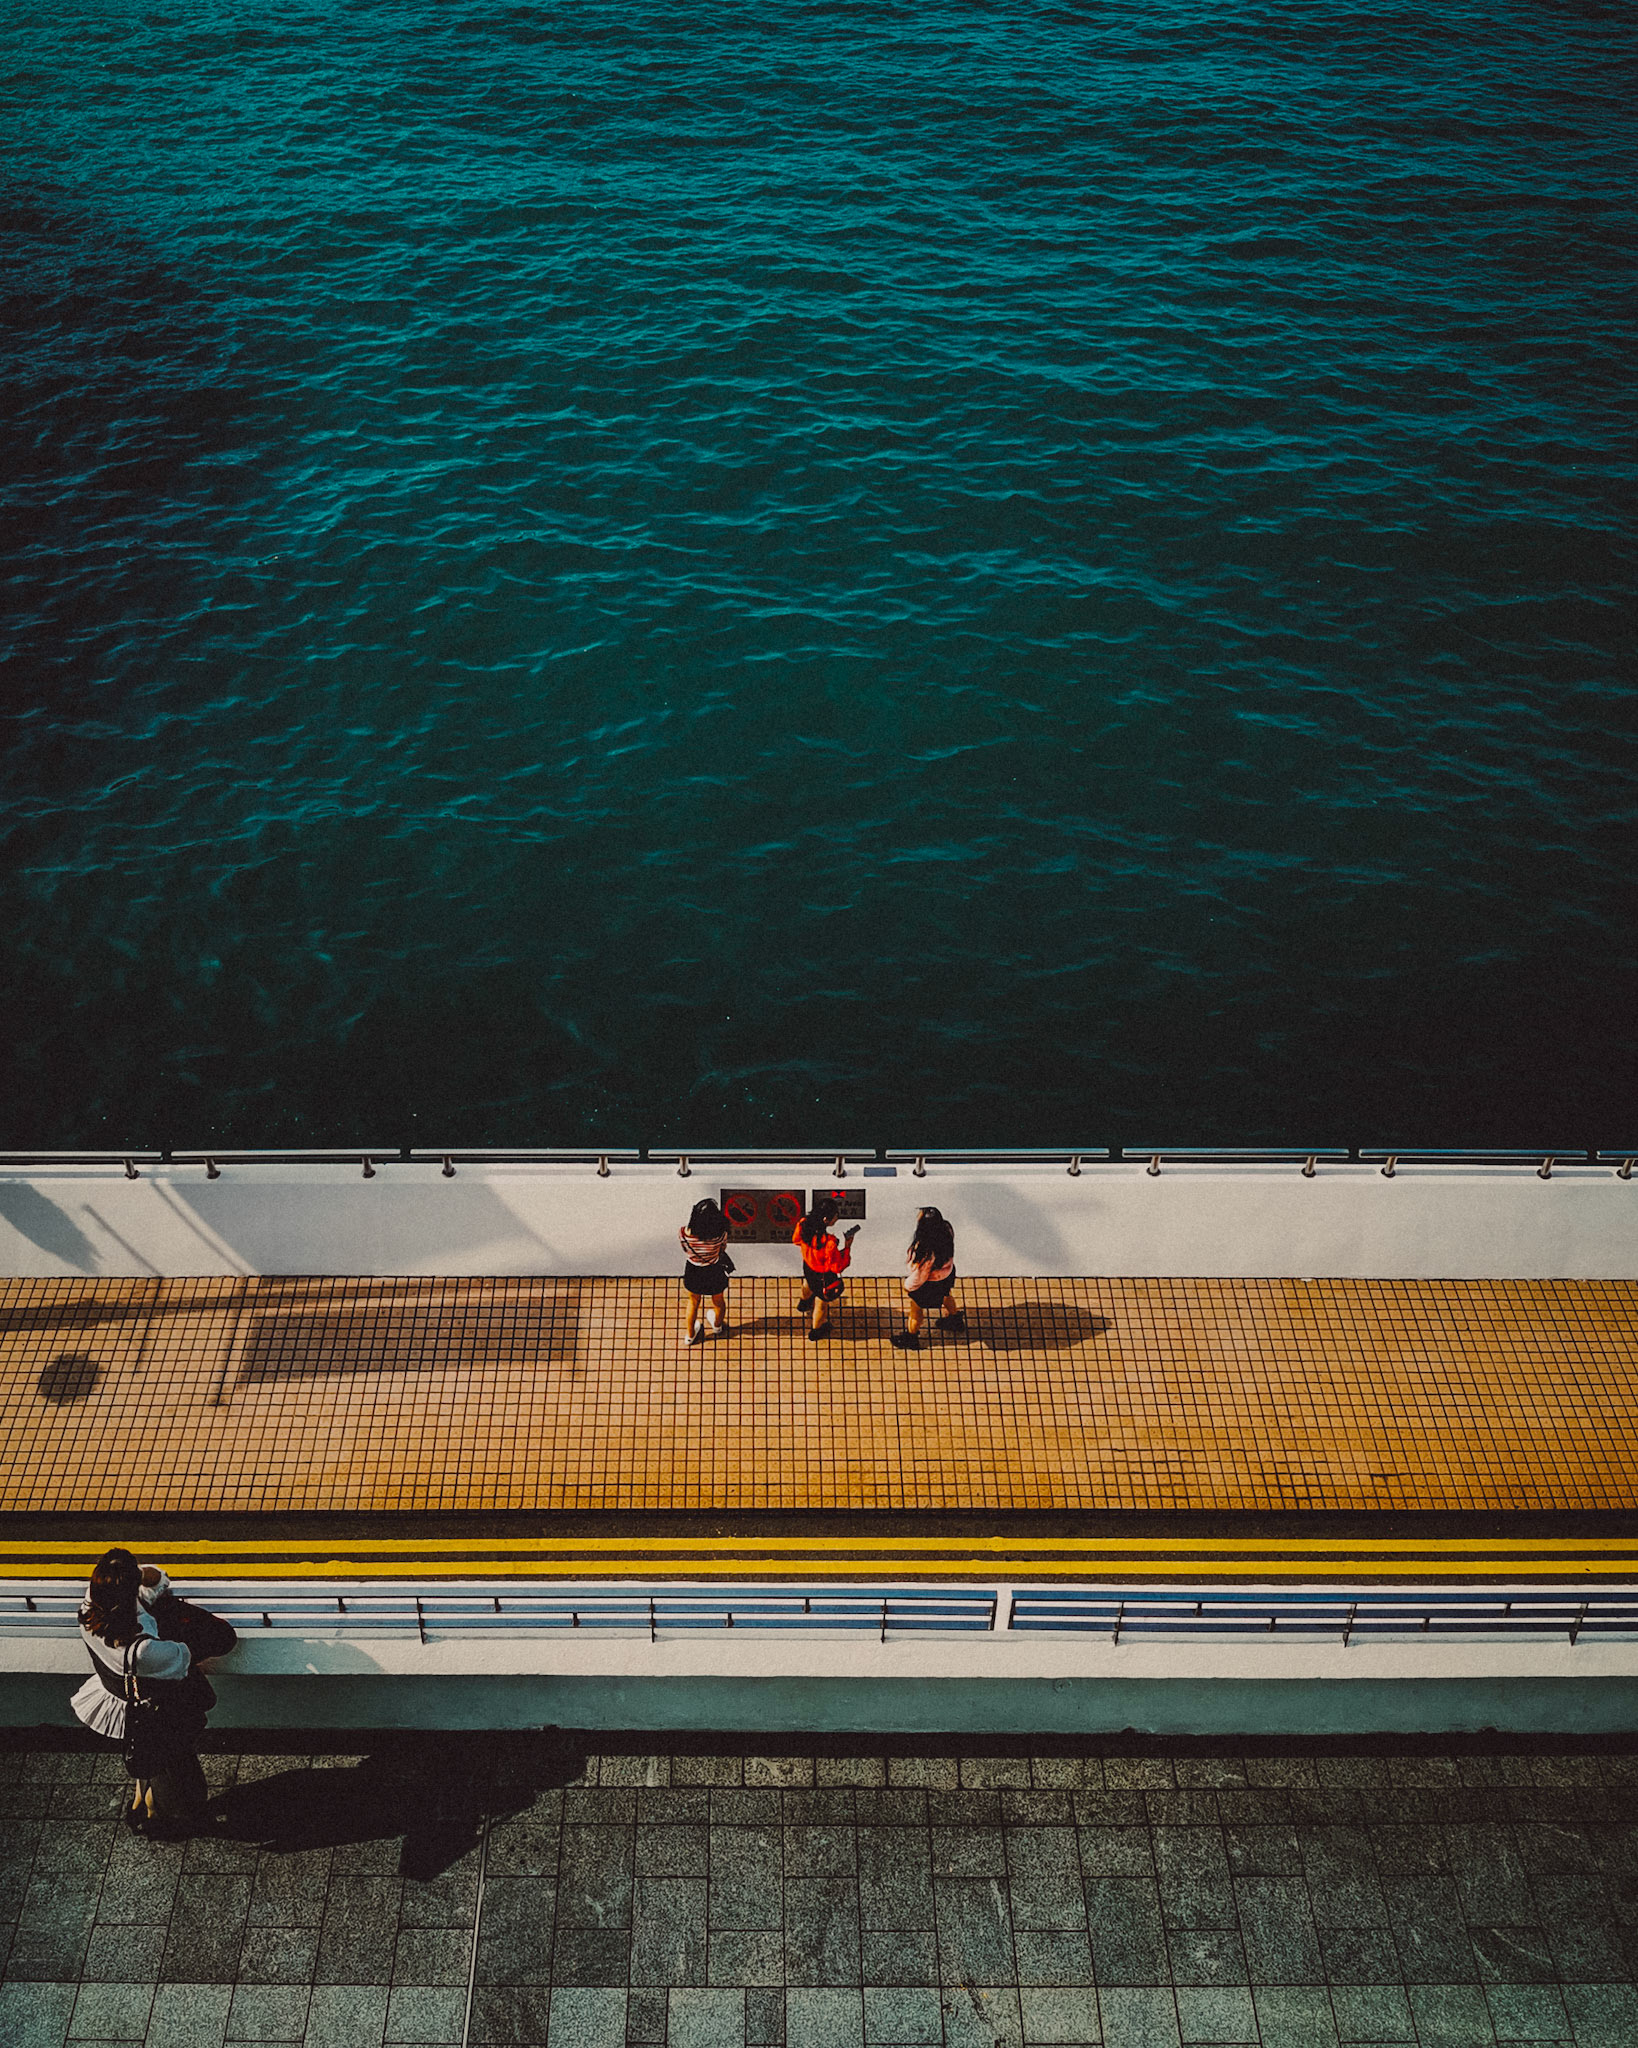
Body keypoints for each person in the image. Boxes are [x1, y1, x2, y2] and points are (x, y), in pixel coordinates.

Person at [72, 1548, 235, 1835]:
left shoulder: (90, 1607)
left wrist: (141, 1575)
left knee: (156, 1756)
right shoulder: (143, 1650)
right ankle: (163, 1814)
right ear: (128, 1594)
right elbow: (183, 1658)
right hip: (159, 1710)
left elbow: (154, 1582)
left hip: (122, 1697)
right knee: (179, 1767)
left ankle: (143, 1796)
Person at [890, 1206, 967, 1349]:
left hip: (929, 1284)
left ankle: (911, 1337)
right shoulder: (946, 1229)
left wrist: (908, 1287)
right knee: (946, 1295)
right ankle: (955, 1320)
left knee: (916, 1309)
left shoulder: (927, 1251)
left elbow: (921, 1276)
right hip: (946, 1274)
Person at [792, 1195, 858, 1341]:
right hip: (823, 1276)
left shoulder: (803, 1224)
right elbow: (837, 1267)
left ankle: (803, 1303)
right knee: (821, 1305)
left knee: (808, 1283)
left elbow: (796, 1240)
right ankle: (817, 1330)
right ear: (825, 1220)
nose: (836, 1219)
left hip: (808, 1266)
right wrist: (847, 1247)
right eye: (835, 1217)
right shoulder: (829, 1243)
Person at [679, 1197, 734, 1347]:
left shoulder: (685, 1233)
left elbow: (684, 1249)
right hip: (714, 1270)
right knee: (718, 1301)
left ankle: (690, 1336)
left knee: (693, 1302)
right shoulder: (720, 1234)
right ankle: (717, 1326)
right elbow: (722, 1249)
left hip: (694, 1270)